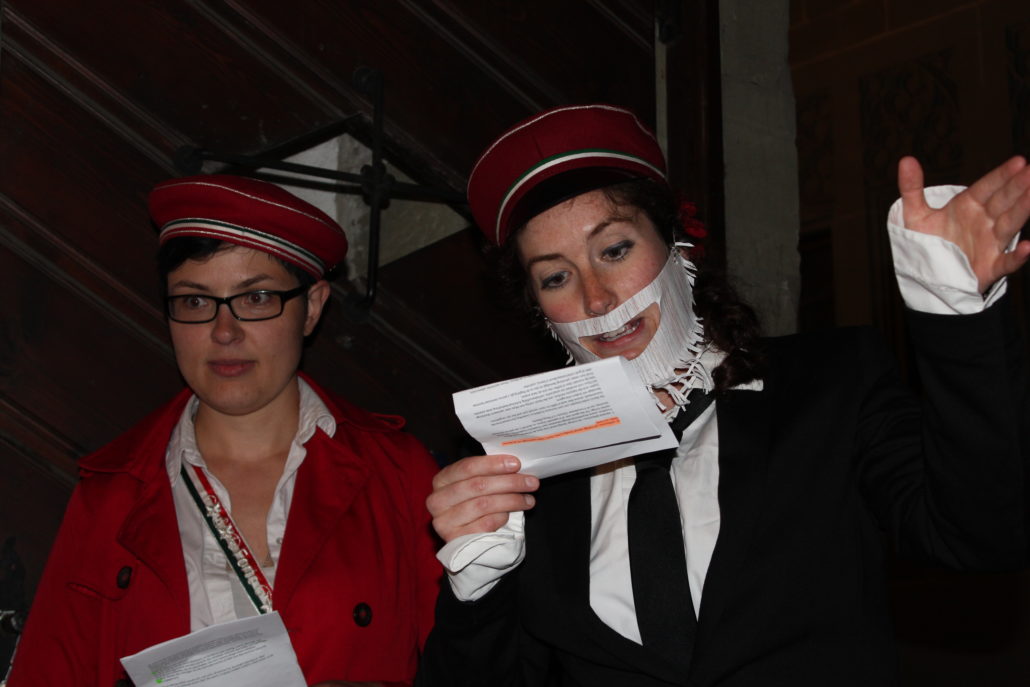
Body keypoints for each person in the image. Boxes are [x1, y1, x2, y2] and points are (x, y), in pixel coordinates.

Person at [416, 104, 1030, 685]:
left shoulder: (831, 384)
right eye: (555, 277)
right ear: (538, 310)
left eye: (615, 250)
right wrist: (477, 590)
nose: (597, 298)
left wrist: (956, 318)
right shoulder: (526, 477)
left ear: (677, 244)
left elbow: (980, 534)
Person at [7, 176, 441, 687]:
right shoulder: (111, 495)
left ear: (313, 307)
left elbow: (475, 664)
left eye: (256, 297)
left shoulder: (397, 472)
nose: (224, 331)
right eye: (195, 302)